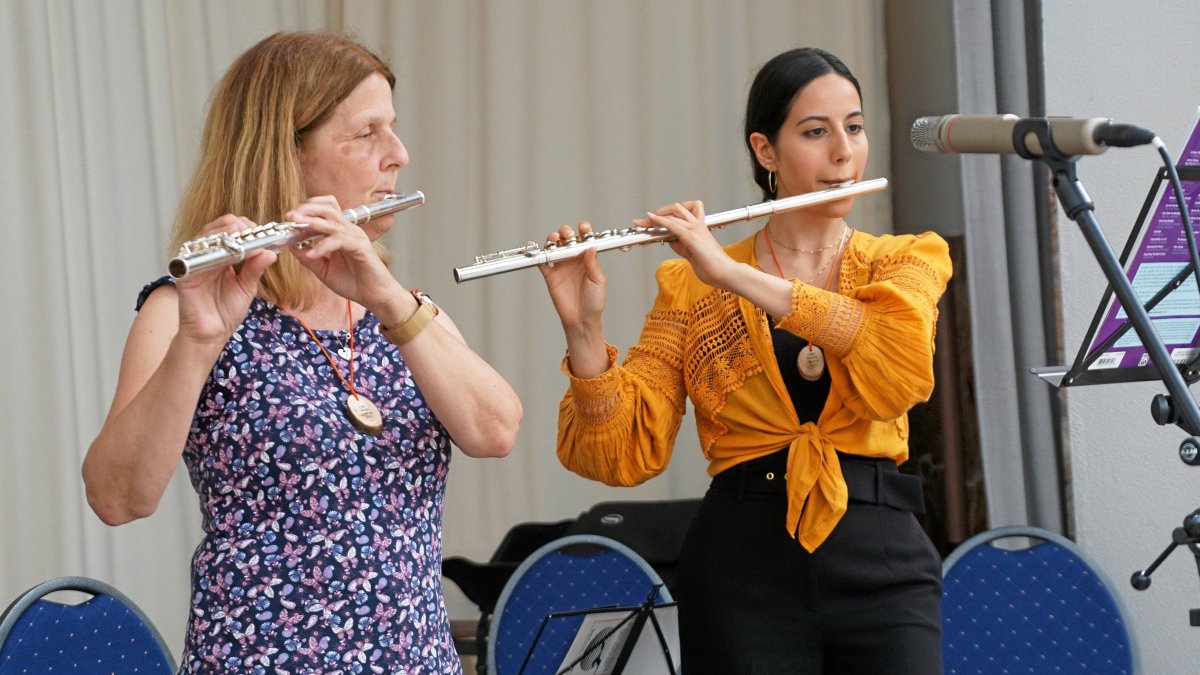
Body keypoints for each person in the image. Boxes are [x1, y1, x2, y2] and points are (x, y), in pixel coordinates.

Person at [82, 31, 521, 673]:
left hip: (414, 660)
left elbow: (496, 431)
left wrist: (390, 300)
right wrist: (200, 343)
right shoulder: (180, 311)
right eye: (366, 133)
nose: (397, 155)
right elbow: (118, 499)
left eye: (391, 129)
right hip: (261, 658)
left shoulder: (401, 310)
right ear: (286, 154)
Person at [539, 47, 951, 673]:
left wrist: (734, 274)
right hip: (741, 567)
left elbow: (898, 368)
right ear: (766, 151)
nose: (843, 152)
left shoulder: (908, 258)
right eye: (816, 132)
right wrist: (584, 327)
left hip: (884, 558)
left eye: (855, 127)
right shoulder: (690, 285)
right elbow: (621, 453)